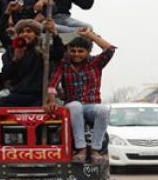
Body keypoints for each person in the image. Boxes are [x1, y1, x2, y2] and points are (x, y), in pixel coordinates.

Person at [0, 19, 64, 137]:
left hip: (38, 97)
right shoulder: (11, 51)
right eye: (21, 32)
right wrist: (16, 59)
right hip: (17, 95)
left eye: (29, 31)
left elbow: (60, 53)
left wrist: (54, 33)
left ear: (36, 34)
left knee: (40, 121)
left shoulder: (44, 50)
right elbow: (6, 75)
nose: (25, 34)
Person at [46, 29, 116, 163]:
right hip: (72, 106)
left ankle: (96, 149)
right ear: (68, 51)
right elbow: (52, 84)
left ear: (88, 52)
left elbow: (110, 49)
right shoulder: (63, 65)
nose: (76, 54)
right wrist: (52, 100)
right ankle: (81, 149)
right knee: (76, 106)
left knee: (104, 109)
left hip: (90, 106)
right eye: (73, 51)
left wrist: (90, 35)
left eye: (80, 51)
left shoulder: (95, 63)